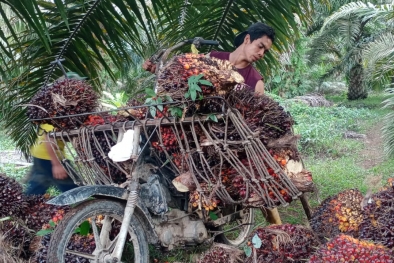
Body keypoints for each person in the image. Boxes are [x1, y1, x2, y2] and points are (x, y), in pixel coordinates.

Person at [142, 22, 275, 94]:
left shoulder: (256, 82)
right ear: (247, 39)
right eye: (260, 46)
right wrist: (158, 70)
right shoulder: (212, 57)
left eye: (265, 51)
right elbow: (183, 77)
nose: (261, 53)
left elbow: (254, 117)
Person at [25, 123, 78, 195]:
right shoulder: (52, 123)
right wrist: (57, 165)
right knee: (72, 187)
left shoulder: (50, 120)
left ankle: (25, 202)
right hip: (49, 157)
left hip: (40, 155)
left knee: (39, 183)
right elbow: (49, 142)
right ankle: (85, 202)